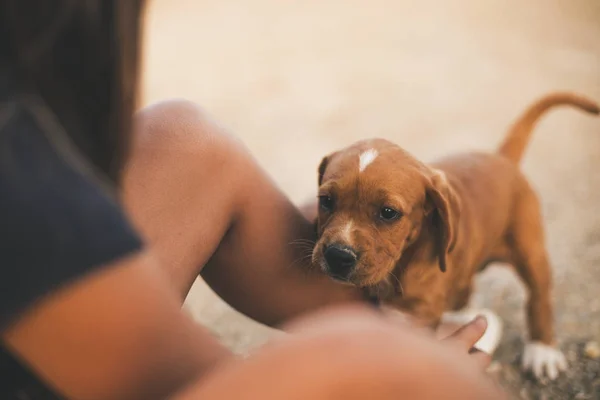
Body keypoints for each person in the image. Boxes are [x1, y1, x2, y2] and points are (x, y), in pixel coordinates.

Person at [0, 1, 507, 399]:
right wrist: (364, 366)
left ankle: (397, 321)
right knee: (367, 364)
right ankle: (389, 340)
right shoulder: (21, 178)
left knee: (186, 134)